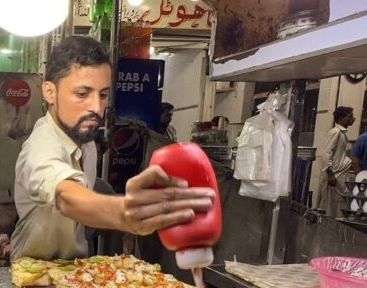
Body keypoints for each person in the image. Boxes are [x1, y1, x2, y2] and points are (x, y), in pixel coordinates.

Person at [11, 36, 215, 261]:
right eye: (82, 94)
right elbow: (65, 195)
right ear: (50, 92)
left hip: (75, 269)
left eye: (103, 94)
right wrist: (121, 213)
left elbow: (86, 194)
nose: (97, 107)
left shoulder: (87, 144)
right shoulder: (41, 145)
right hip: (33, 275)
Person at [315, 106, 355, 217]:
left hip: (339, 174)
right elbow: (326, 153)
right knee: (331, 206)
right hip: (334, 175)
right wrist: (330, 173)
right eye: (350, 116)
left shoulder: (342, 134)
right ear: (341, 118)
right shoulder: (335, 132)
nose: (353, 119)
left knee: (337, 205)